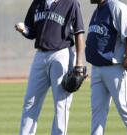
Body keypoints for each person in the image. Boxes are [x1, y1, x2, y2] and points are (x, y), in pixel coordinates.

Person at [15, 0, 85, 134]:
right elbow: (32, 32)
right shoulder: (37, 2)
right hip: (40, 55)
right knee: (30, 101)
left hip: (61, 54)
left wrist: (79, 64)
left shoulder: (71, 3)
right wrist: (24, 29)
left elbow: (79, 32)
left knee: (61, 103)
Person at [85, 0, 127, 134]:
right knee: (98, 109)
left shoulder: (116, 7)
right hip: (97, 67)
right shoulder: (97, 10)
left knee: (124, 106)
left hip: (116, 67)